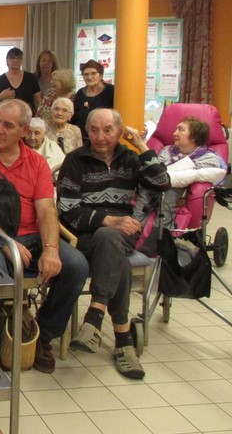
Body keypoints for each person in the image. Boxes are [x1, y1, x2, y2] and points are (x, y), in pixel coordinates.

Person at [0, 99, 88, 373]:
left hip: (32, 237)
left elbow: (45, 210)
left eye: (8, 125)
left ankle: (44, 335)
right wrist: (7, 243)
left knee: (77, 265)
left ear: (24, 130)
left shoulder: (37, 163)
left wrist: (52, 248)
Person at [57, 108, 170, 380]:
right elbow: (68, 209)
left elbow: (162, 183)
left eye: (108, 130)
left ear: (119, 132)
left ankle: (95, 318)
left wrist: (142, 145)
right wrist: (108, 220)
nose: (100, 136)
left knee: (111, 243)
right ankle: (122, 340)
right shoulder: (75, 161)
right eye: (94, 130)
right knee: (111, 246)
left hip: (124, 231)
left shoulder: (131, 159)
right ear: (86, 132)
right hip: (82, 234)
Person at [139, 116, 226, 228]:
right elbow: (155, 171)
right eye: (176, 129)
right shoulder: (167, 151)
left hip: (180, 194)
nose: (174, 133)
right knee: (144, 187)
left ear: (194, 137)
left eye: (181, 129)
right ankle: (134, 231)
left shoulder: (208, 157)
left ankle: (159, 236)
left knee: (169, 191)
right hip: (155, 188)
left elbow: (204, 175)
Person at [0, 47, 41, 115]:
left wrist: (38, 114)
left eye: (18, 58)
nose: (15, 60)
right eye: (12, 58)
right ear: (7, 61)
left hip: (27, 118)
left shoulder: (31, 78)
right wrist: (0, 96)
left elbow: (38, 101)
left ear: (21, 60)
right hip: (6, 118)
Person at [72, 59, 115, 140]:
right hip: (83, 139)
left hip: (105, 138)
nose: (89, 77)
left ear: (101, 75)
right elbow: (74, 118)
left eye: (93, 73)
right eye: (86, 74)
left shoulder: (111, 91)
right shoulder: (80, 93)